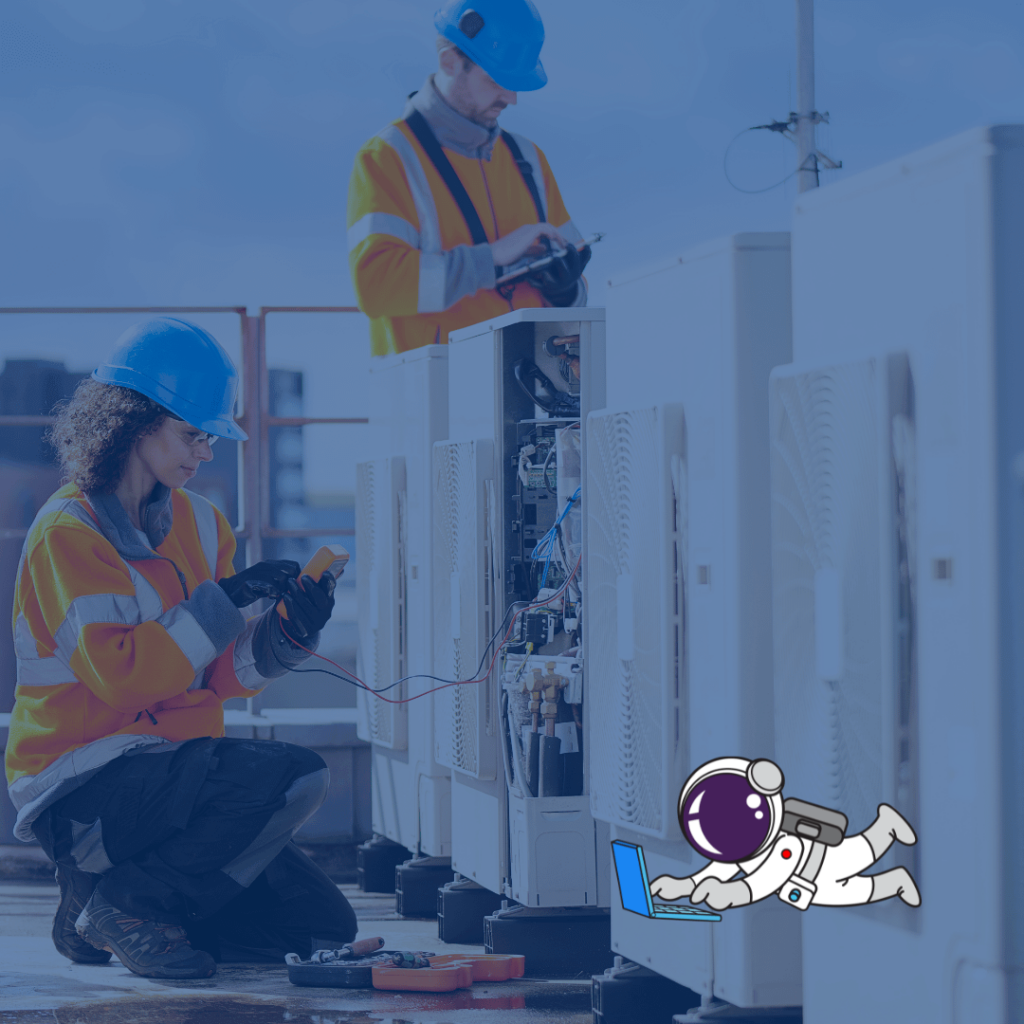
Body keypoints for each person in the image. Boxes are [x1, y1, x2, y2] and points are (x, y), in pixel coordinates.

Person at [4, 317, 357, 979]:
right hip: (85, 785)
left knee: (319, 928)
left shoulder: (202, 521)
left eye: (210, 437)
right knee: (296, 775)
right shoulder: (68, 533)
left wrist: (289, 633)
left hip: (173, 779)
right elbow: (124, 679)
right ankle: (127, 903)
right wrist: (221, 602)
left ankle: (97, 908)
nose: (205, 453)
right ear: (134, 423)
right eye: (193, 433)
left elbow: (221, 676)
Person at [348, 0, 592, 355]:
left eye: (515, 82)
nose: (511, 97)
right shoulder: (387, 157)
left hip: (530, 393)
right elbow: (377, 287)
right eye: (496, 80)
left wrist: (566, 289)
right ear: (449, 61)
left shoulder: (529, 159)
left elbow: (579, 294)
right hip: (435, 397)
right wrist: (490, 258)